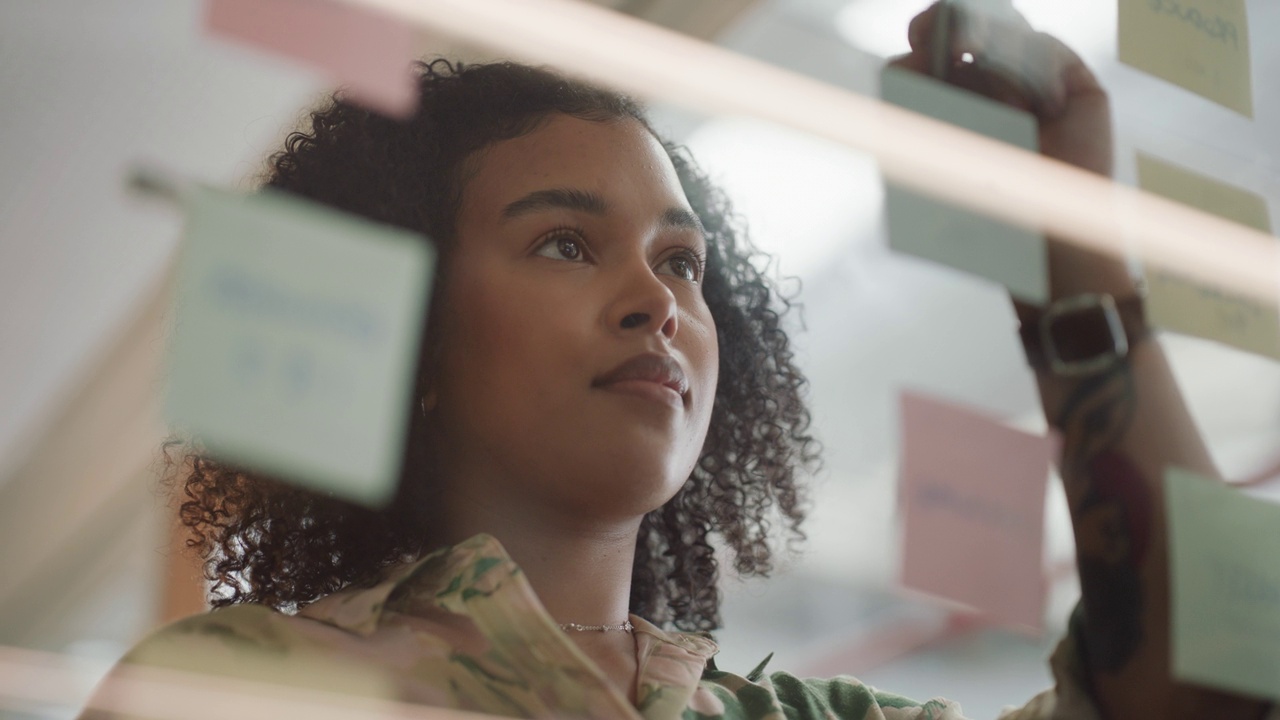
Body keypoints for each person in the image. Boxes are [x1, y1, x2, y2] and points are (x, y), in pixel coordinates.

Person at [82, 3, 1276, 719]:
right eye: (564, 243)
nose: (656, 300)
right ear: (414, 331)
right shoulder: (248, 686)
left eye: (683, 262)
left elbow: (1209, 689)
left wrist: (1072, 254)